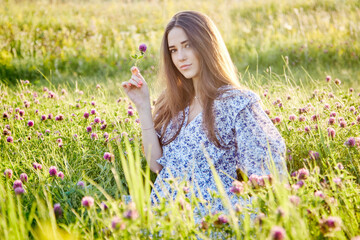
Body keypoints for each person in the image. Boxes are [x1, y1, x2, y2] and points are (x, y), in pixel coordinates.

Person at [121, 11, 287, 223]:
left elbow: (268, 171)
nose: (180, 56)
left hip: (208, 218)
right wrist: (143, 106)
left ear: (207, 44)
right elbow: (157, 166)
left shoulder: (236, 102)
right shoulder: (175, 103)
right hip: (163, 212)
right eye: (173, 50)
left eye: (188, 45)